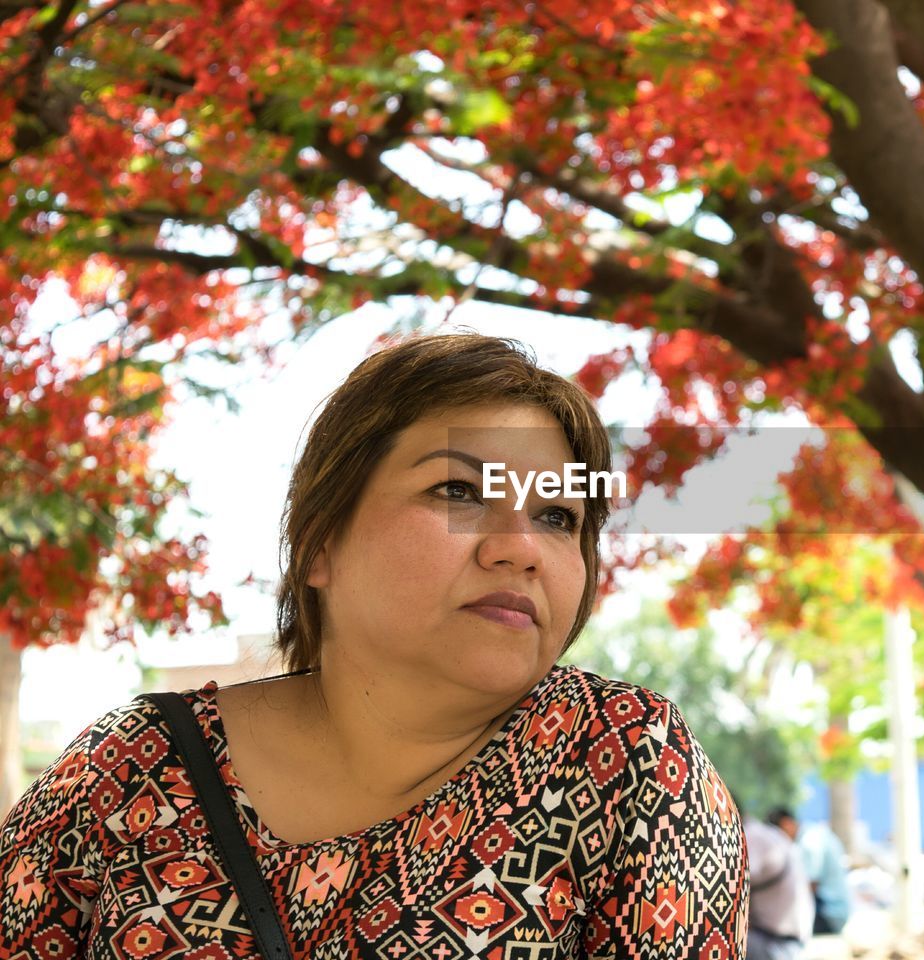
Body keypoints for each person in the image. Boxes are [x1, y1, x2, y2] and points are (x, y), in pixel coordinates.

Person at [0, 333, 748, 958]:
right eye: (458, 492)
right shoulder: (128, 774)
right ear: (321, 542)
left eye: (558, 516)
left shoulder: (627, 765)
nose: (520, 548)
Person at [766, 807, 851, 936]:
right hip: (835, 911)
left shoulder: (809, 842)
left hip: (828, 914)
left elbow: (809, 886)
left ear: (786, 824)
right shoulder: (814, 834)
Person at [742, 808, 813, 960]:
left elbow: (731, 884)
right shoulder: (772, 836)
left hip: (779, 945)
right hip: (787, 941)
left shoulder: (754, 836)